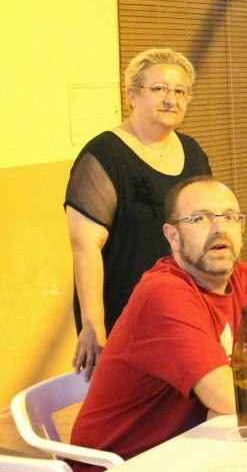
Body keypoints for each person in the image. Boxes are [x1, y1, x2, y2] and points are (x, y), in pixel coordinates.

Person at [69, 177, 247, 472]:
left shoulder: (245, 278)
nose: (219, 229)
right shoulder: (164, 293)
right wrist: (245, 385)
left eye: (230, 217)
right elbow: (229, 398)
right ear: (173, 236)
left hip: (190, 452)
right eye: (200, 219)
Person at [65, 48, 212, 381]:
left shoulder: (192, 151)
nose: (171, 100)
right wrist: (93, 325)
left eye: (180, 91)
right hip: (125, 311)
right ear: (132, 95)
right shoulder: (104, 155)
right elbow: (85, 246)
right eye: (159, 89)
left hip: (184, 306)